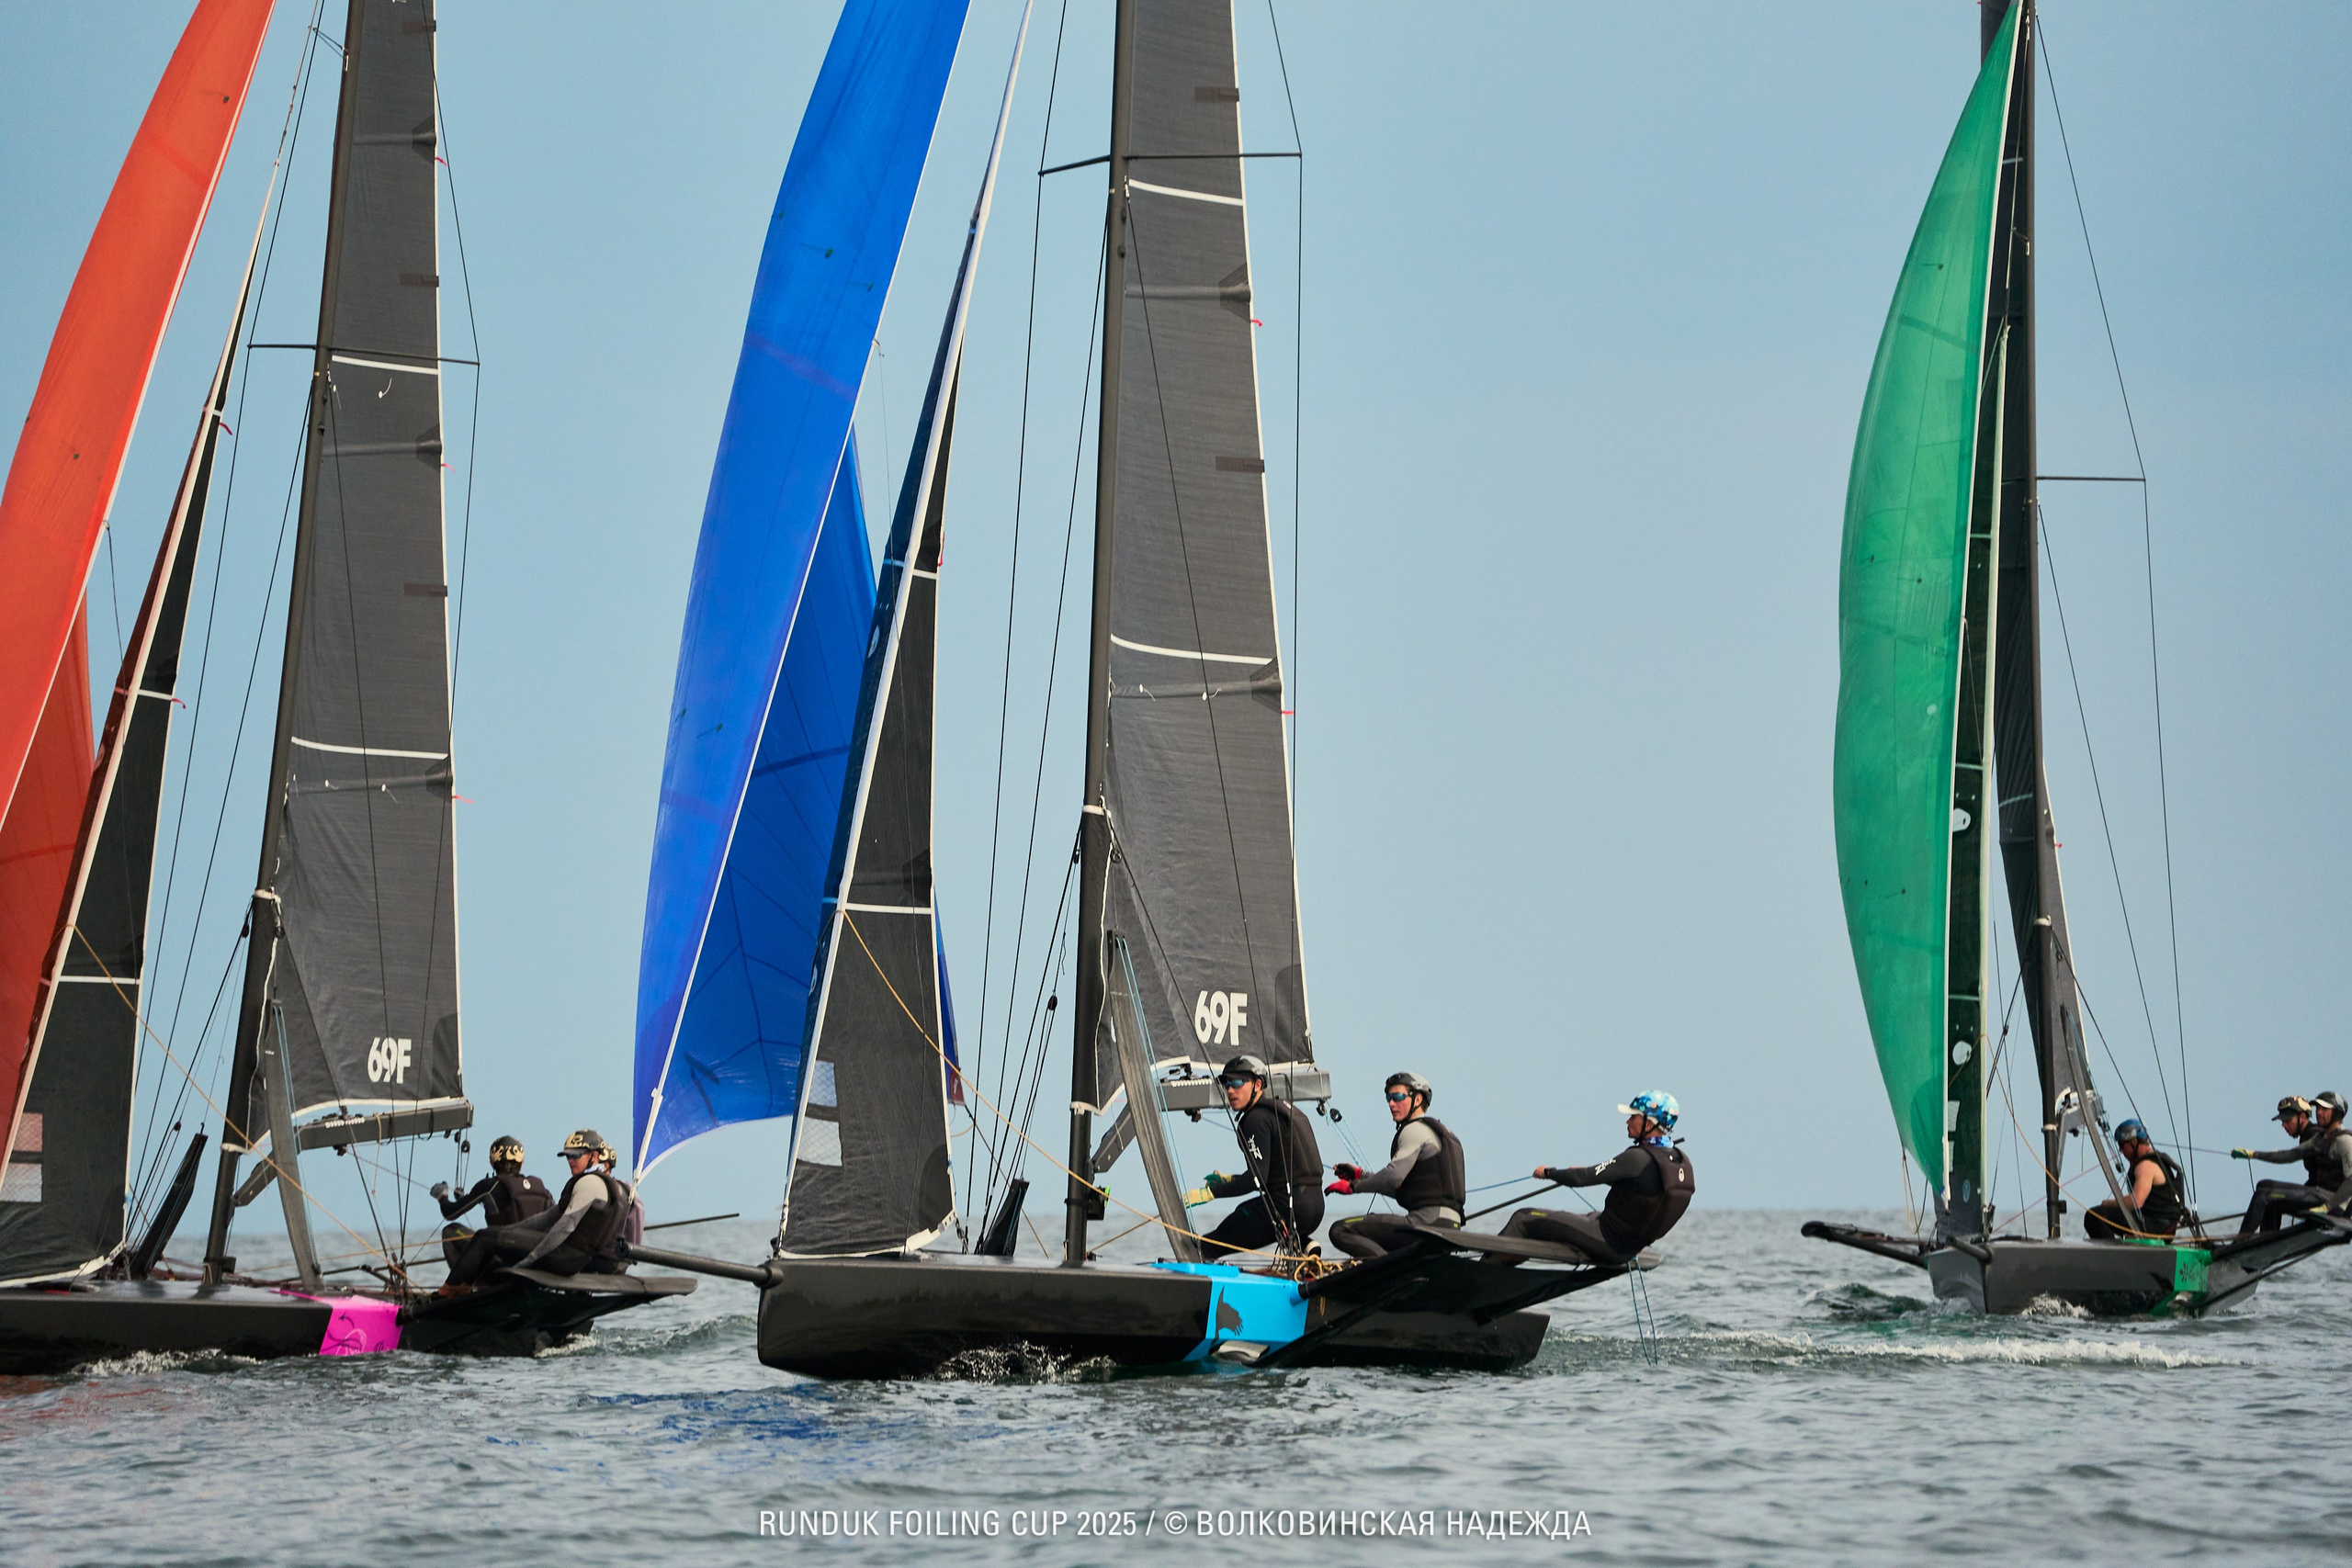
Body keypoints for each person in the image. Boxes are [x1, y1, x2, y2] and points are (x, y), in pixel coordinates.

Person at [1493, 1092, 1693, 1264]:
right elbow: (1638, 1187)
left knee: (1524, 1218)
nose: (1628, 1121)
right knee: (1588, 1217)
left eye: (1633, 1116)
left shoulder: (1637, 1157)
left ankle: (1479, 1282)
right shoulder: (1675, 1160)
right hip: (1628, 1249)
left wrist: (1548, 1173)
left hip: (1606, 1243)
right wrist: (1587, 1172)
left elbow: (1582, 1178)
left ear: (1649, 1123)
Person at [437, 1129, 637, 1293]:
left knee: (479, 1237)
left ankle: (448, 1292)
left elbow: (564, 1227)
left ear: (594, 1156)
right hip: (581, 1260)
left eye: (576, 1156)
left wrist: (530, 1260)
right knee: (492, 1238)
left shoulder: (588, 1184)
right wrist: (509, 1233)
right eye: (568, 1156)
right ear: (521, 1161)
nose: (570, 1161)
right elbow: (546, 1218)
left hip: (561, 1256)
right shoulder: (616, 1188)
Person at [1325, 1072, 1465, 1258]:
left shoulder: (1414, 1130)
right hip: (1450, 1227)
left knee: (1341, 1230)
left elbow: (1392, 1177)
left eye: (1398, 1097)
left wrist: (1353, 1187)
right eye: (1389, 1098)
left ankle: (1388, 1272)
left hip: (1426, 1225)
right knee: (1374, 1224)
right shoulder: (1440, 1133)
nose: (1391, 1103)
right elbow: (1406, 1190)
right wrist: (1361, 1175)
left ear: (1418, 1099)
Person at [1196, 1055, 1325, 1258]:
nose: (1230, 1090)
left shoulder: (1255, 1119)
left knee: (1207, 1245)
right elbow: (1275, 1171)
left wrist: (1212, 1192)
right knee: (1254, 1212)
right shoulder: (1283, 1109)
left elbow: (1257, 1180)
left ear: (1257, 1084)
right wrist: (1232, 1179)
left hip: (1289, 1207)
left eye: (1238, 1083)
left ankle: (1202, 1270)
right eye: (1227, 1084)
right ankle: (1306, 1248)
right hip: (1315, 1207)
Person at [2231, 1093, 2352, 1234]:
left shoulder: (2344, 1141)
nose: (2318, 1112)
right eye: (2317, 1108)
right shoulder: (2320, 1138)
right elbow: (2290, 1155)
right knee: (2264, 1187)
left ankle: (2241, 1242)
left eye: (2324, 1109)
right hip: (2319, 1195)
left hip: (2334, 1205)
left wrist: (2327, 1207)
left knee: (2265, 1196)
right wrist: (2253, 1154)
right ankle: (2266, 1240)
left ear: (2337, 1113)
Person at [430, 1135, 553, 1269]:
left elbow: (450, 1213)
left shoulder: (488, 1186)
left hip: (502, 1258)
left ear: (492, 1163)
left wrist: (442, 1197)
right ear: (522, 1162)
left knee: (450, 1231)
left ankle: (464, 1284)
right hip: (537, 1260)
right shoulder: (540, 1187)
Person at [2084, 1120, 2187, 1239]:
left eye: (2122, 1145)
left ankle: (2111, 1256)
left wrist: (2107, 1203)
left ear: (2134, 1142)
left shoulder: (2145, 1166)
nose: (2121, 1151)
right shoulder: (2156, 1159)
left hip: (2158, 1226)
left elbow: (2136, 1202)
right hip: (2163, 1225)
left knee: (2094, 1216)